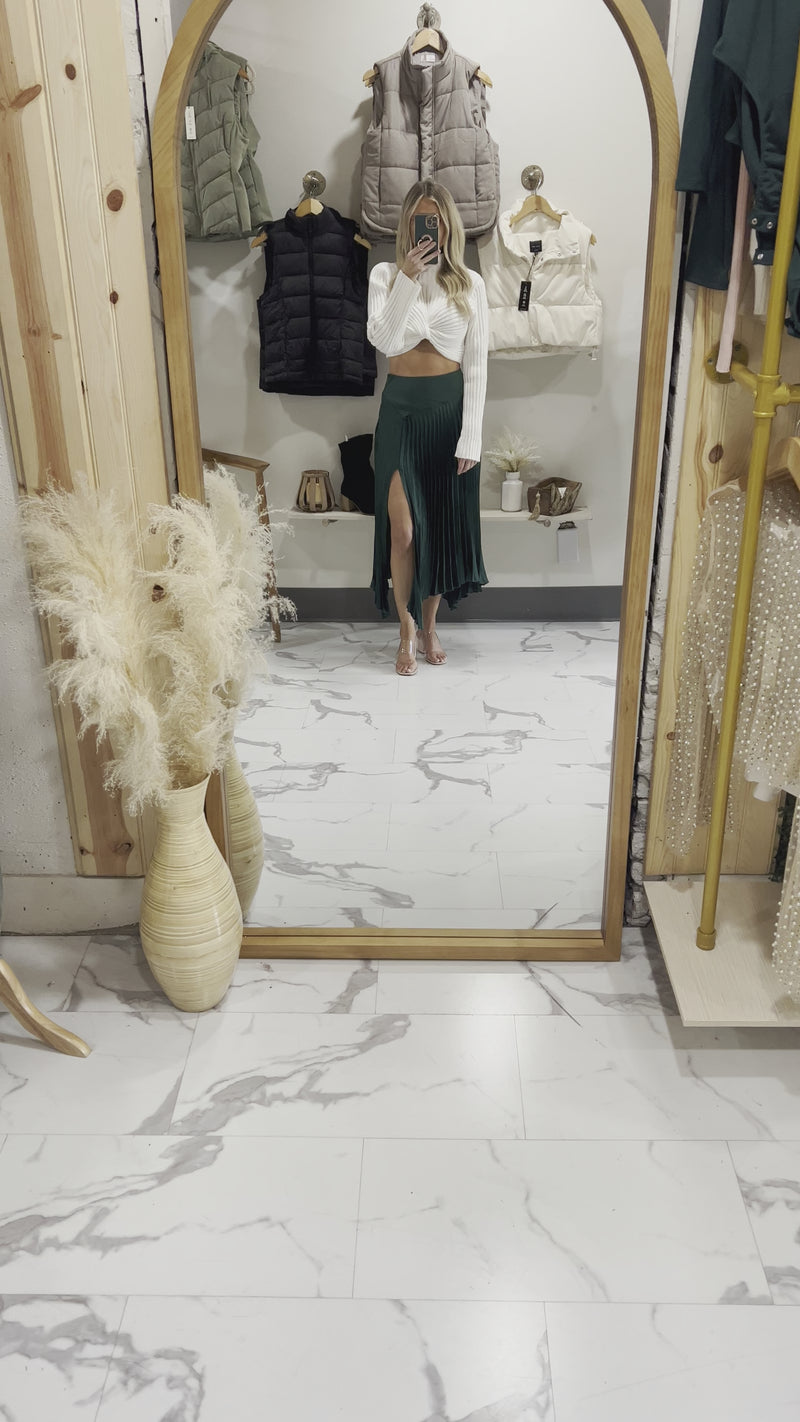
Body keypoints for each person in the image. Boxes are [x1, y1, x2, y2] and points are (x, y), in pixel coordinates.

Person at [367, 179, 489, 676]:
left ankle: (430, 627)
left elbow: (477, 365)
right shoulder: (384, 275)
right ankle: (405, 628)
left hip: (448, 415)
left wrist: (472, 435)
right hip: (399, 413)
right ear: (406, 225)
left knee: (436, 528)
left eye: (434, 222)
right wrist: (407, 279)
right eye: (420, 221)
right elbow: (382, 339)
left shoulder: (470, 284)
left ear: (448, 226)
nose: (428, 230)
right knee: (402, 530)